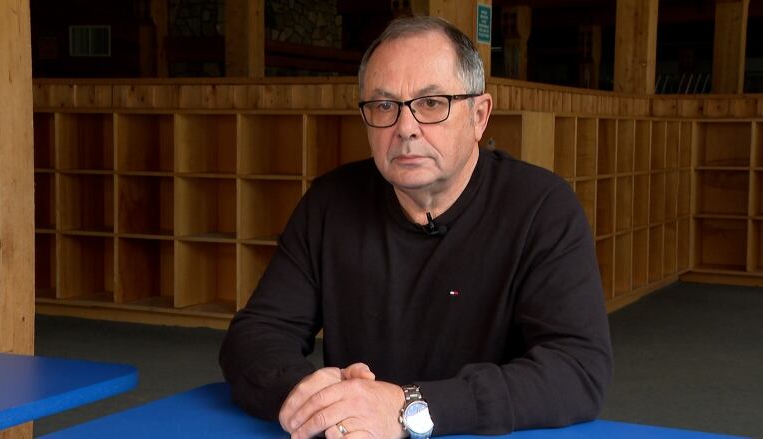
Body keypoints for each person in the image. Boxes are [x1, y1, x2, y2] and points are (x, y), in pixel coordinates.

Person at [220, 15, 612, 439]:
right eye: (384, 106)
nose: (405, 128)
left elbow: (576, 370)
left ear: (479, 116)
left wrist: (407, 408)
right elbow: (256, 335)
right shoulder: (331, 203)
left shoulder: (541, 207)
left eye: (431, 103)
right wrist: (307, 393)